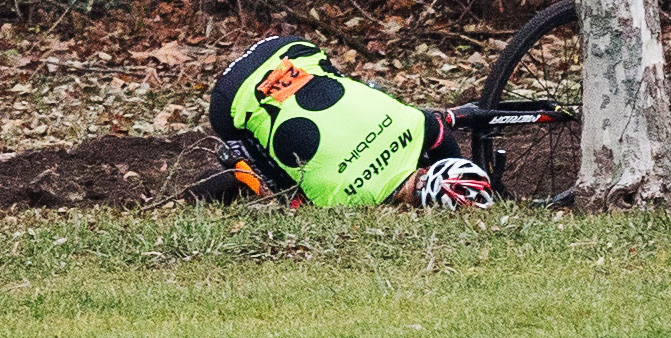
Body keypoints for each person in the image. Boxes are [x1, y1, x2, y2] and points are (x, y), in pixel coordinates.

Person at [187, 35, 494, 210]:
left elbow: (439, 129)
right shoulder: (345, 202)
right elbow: (299, 211)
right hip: (230, 101)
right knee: (284, 190)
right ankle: (242, 172)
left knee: (347, 93)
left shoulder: (416, 125)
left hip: (287, 49)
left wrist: (454, 163)